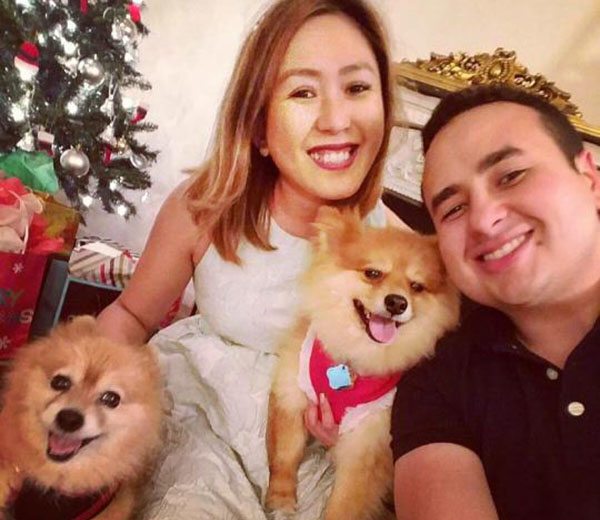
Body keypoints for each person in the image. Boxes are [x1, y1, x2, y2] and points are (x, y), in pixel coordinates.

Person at [97, 0, 407, 517]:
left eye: (357, 88)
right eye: (303, 91)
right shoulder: (204, 210)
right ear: (260, 127)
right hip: (204, 423)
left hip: (316, 453)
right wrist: (91, 386)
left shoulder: (393, 241)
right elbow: (130, 315)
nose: (337, 118)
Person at [391, 85, 600, 520]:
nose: (485, 220)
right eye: (453, 209)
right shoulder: (437, 381)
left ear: (590, 178)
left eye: (511, 175)